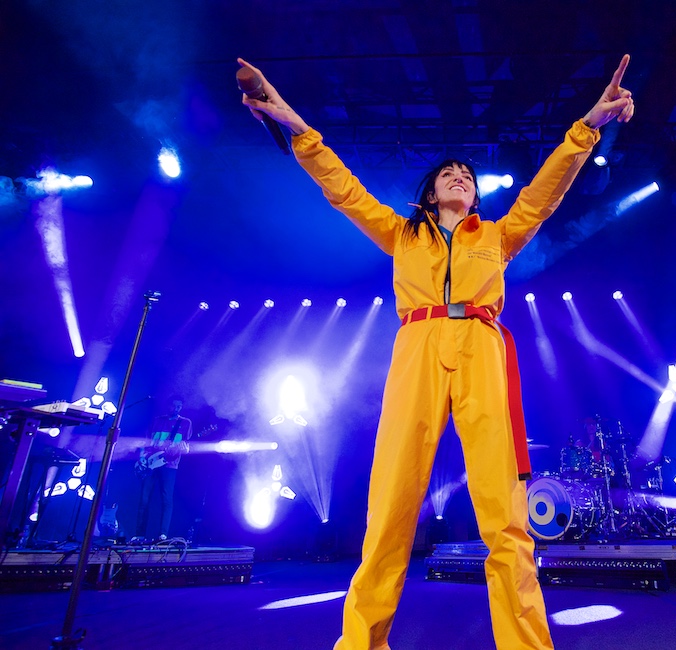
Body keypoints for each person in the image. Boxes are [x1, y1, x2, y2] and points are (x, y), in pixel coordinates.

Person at [238, 54, 634, 650]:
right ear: (430, 192)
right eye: (447, 173)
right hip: (418, 345)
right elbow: (342, 189)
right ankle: (362, 642)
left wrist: (588, 126)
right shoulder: (402, 234)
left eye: (466, 175)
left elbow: (545, 193)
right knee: (391, 506)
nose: (458, 176)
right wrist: (294, 122)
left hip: (480, 345)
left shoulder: (497, 236)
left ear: (474, 196)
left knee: (504, 515)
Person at [133, 397, 191, 542]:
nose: (177, 409)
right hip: (150, 462)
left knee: (167, 500)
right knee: (144, 500)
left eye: (179, 406)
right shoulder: (156, 420)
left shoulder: (185, 423)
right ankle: (139, 535)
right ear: (168, 405)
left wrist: (184, 449)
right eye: (174, 405)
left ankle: (163, 534)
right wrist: (142, 458)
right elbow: (145, 441)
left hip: (170, 465)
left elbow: (186, 445)